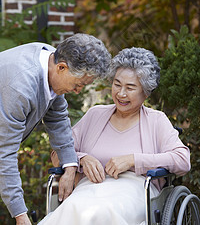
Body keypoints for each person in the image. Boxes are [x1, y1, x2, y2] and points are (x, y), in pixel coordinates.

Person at [39, 47, 190, 225]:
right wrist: (81, 158)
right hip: (88, 190)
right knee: (74, 209)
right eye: (117, 84)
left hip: (134, 192)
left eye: (130, 87)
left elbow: (182, 160)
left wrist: (133, 160)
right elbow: (57, 156)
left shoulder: (156, 120)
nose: (121, 93)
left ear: (146, 92)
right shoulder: (95, 114)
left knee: (103, 212)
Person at [0, 33, 112, 225]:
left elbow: (58, 118)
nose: (77, 91)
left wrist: (70, 166)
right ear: (62, 68)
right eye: (78, 85)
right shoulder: (21, 87)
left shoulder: (52, 59)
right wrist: (20, 215)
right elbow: (4, 153)